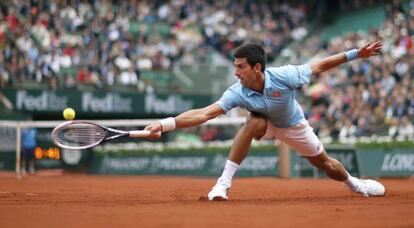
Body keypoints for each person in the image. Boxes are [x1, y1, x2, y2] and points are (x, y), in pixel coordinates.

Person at [144, 41, 386, 200]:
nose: (236, 72)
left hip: (293, 125)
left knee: (325, 164)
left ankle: (356, 185)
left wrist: (357, 54)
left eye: (240, 67)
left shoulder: (286, 75)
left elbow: (320, 65)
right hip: (264, 123)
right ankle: (222, 185)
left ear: (257, 67)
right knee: (253, 123)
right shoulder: (237, 90)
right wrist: (166, 124)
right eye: (235, 66)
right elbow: (206, 113)